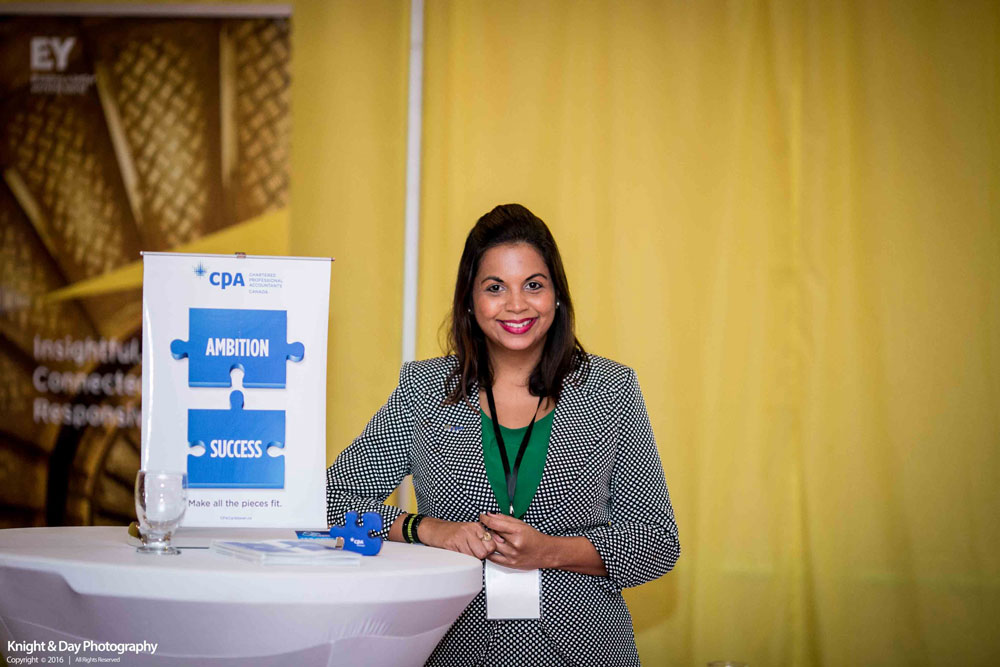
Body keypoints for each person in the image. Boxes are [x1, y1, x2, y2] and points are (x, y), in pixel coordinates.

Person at [327, 203, 680, 666]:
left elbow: (657, 541)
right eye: (495, 287)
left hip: (586, 651)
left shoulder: (611, 390)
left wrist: (550, 552)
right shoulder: (424, 390)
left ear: (557, 295)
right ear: (470, 301)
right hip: (457, 650)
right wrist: (426, 529)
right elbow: (330, 502)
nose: (516, 304)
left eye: (533, 285)